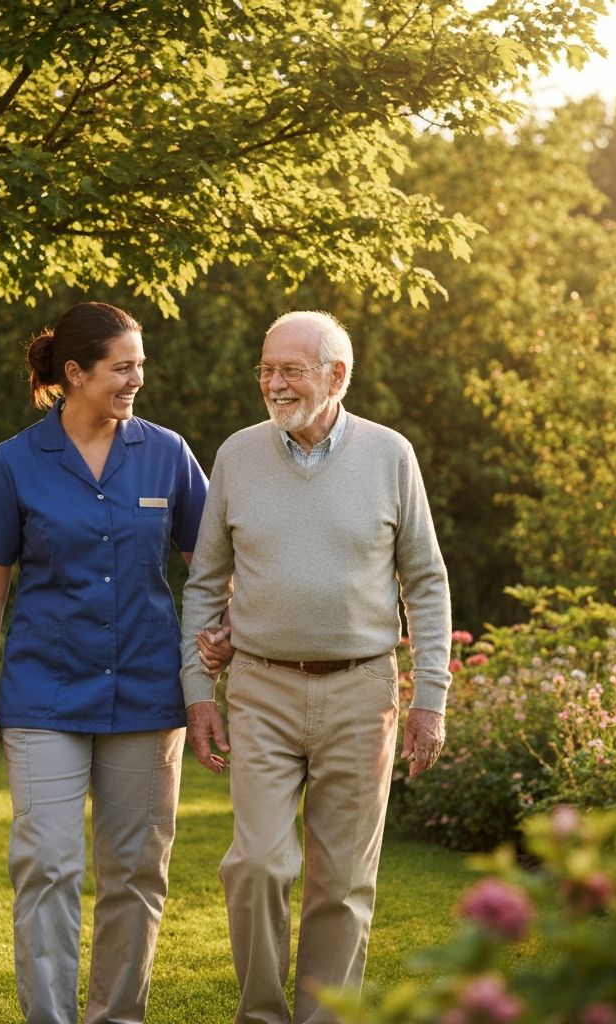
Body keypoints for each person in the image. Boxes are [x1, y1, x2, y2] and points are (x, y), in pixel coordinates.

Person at [181, 310, 452, 1024]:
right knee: (257, 864)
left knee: (342, 884)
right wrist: (197, 689)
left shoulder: (391, 455)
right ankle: (262, 1015)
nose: (273, 383)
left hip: (364, 689)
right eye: (266, 369)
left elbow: (425, 580)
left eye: (290, 370)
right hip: (263, 686)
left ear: (337, 376)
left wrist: (431, 699)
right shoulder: (237, 456)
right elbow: (206, 581)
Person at [0, 301, 208, 1024]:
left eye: (140, 365)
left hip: (146, 696)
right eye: (122, 366)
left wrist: (215, 656)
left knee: (134, 873)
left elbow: (211, 566)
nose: (136, 379)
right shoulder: (14, 462)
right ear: (74, 373)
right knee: (48, 868)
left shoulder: (166, 452)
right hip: (43, 697)